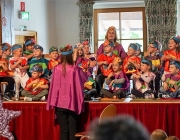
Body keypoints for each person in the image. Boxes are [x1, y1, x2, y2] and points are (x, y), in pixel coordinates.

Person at [47, 45, 84, 140]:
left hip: (60, 104)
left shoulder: (56, 69)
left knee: (63, 130)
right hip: (72, 103)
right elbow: (84, 80)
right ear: (70, 56)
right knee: (73, 130)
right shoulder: (75, 69)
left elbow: (53, 87)